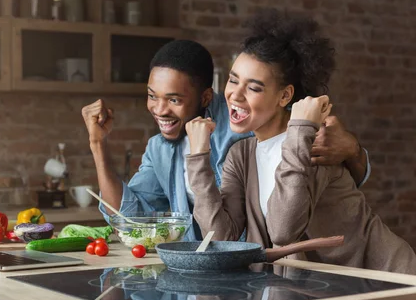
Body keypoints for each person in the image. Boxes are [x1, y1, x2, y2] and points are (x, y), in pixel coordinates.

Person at [185, 8, 416, 274]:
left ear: (285, 97)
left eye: (253, 87)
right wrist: (198, 157)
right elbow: (220, 239)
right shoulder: (242, 155)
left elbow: (284, 230)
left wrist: (302, 127)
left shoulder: (318, 145)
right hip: (327, 289)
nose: (235, 95)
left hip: (384, 277)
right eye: (233, 80)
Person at [81, 39, 370, 242]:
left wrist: (353, 150)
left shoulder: (249, 127)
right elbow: (131, 218)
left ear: (205, 97)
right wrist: (98, 145)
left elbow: (331, 181)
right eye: (152, 96)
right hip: (223, 268)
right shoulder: (160, 149)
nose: (159, 109)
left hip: (299, 265)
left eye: (174, 99)